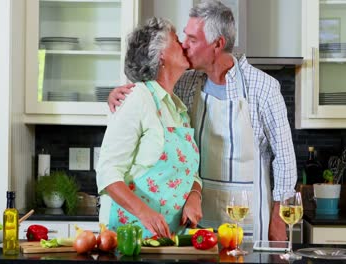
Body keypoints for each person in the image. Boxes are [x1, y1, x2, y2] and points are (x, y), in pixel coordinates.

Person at [108, 0, 297, 242]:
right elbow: (148, 93)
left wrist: (278, 222)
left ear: (218, 44)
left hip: (248, 220)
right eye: (185, 37)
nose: (184, 45)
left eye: (193, 40)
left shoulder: (264, 88)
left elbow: (285, 159)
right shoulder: (185, 84)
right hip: (195, 219)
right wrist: (117, 95)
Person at [96, 17, 203, 239]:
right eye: (176, 40)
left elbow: (189, 172)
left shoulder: (178, 108)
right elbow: (107, 172)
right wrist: (146, 214)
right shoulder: (137, 98)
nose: (183, 44)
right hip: (128, 236)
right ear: (161, 53)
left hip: (167, 238)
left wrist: (194, 195)